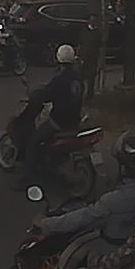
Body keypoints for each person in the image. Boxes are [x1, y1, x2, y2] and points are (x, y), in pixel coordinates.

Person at [14, 44, 85, 189]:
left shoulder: (60, 80)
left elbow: (46, 96)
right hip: (75, 120)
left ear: (58, 59)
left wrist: (34, 97)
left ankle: (27, 178)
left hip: (59, 121)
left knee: (33, 141)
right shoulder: (77, 78)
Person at [78, 14, 102, 100]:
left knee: (91, 79)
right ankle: (79, 95)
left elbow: (100, 48)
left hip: (93, 58)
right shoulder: (84, 32)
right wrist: (78, 56)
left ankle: (89, 97)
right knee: (80, 78)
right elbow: (80, 44)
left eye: (94, 21)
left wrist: (100, 61)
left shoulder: (98, 33)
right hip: (83, 58)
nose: (93, 22)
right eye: (91, 20)